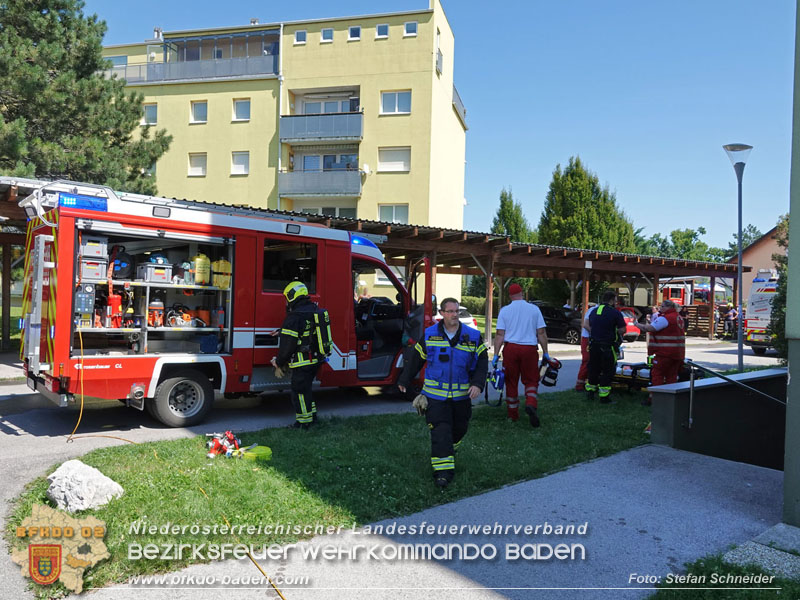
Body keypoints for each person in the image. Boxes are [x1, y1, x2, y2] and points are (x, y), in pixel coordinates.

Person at [397, 297, 487, 488]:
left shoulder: (472, 336)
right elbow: (416, 358)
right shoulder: (429, 335)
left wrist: (478, 384)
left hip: (462, 397)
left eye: (457, 312)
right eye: (450, 311)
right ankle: (443, 474)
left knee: (459, 430)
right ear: (442, 313)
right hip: (435, 397)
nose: (454, 315)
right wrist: (405, 379)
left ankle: (448, 449)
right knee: (441, 432)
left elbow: (481, 361)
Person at [272, 281, 328, 429]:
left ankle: (303, 424)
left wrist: (279, 361)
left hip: (302, 362)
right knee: (306, 390)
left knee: (299, 393)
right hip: (315, 359)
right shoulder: (314, 310)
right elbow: (305, 332)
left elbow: (288, 345)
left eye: (287, 297)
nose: (286, 301)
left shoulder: (294, 316)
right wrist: (282, 331)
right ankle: (313, 418)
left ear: (292, 296)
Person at [493, 283, 549, 427]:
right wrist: (546, 353)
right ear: (522, 293)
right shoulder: (534, 309)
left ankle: (513, 415)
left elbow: (500, 334)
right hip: (529, 349)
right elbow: (541, 333)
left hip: (511, 349)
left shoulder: (504, 311)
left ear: (510, 296)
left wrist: (495, 355)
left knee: (511, 381)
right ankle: (531, 403)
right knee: (531, 380)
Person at [635, 298, 686, 405]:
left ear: (668, 307)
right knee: (671, 376)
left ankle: (655, 399)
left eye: (662, 306)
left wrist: (637, 324)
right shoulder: (679, 317)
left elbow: (650, 328)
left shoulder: (666, 318)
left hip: (664, 353)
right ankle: (670, 400)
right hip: (677, 353)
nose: (660, 308)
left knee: (657, 375)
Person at [584, 290, 626, 403]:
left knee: (593, 369)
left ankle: (590, 393)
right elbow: (623, 329)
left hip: (594, 345)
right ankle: (604, 397)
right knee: (608, 370)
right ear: (612, 300)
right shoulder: (615, 312)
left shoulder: (594, 311)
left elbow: (589, 325)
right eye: (615, 300)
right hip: (608, 346)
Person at [574, 303, 597, 391]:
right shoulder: (593, 310)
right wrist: (596, 333)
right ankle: (579, 385)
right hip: (588, 338)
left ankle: (587, 382)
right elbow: (585, 325)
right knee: (587, 360)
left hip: (591, 338)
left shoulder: (594, 310)